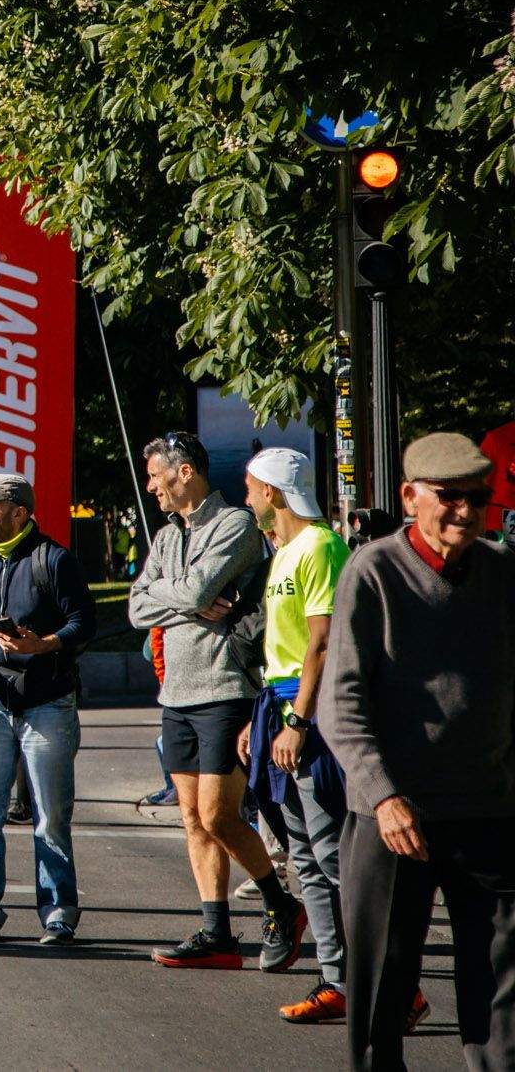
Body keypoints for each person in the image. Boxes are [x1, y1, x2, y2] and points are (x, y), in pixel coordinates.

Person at [323, 433, 510, 1067]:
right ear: (410, 496)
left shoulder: (503, 572)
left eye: (476, 499)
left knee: (501, 982)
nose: (464, 511)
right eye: (448, 497)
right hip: (394, 813)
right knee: (385, 977)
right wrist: (383, 795)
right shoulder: (372, 571)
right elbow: (340, 701)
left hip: (487, 808)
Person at [127, 431, 303, 970]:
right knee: (191, 818)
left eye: (157, 475)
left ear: (185, 472)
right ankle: (216, 931)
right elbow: (136, 606)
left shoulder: (234, 526)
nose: (151, 486)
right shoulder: (165, 536)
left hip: (225, 687)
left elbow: (200, 592)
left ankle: (280, 903)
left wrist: (181, 595)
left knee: (220, 816)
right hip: (176, 691)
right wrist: (187, 598)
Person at [228, 448, 356, 1023]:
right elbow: (282, 651)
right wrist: (263, 721)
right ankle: (337, 981)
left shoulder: (321, 546)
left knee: (330, 853)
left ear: (274, 493)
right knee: (305, 854)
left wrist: (298, 722)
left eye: (252, 488)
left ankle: (387, 984)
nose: (247, 498)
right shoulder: (283, 553)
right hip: (279, 703)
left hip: (312, 714)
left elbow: (323, 643)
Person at [0, 472, 96, 945]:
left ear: (20, 514)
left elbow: (84, 623)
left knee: (49, 815)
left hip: (47, 702)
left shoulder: (53, 560)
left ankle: (58, 913)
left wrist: (44, 644)